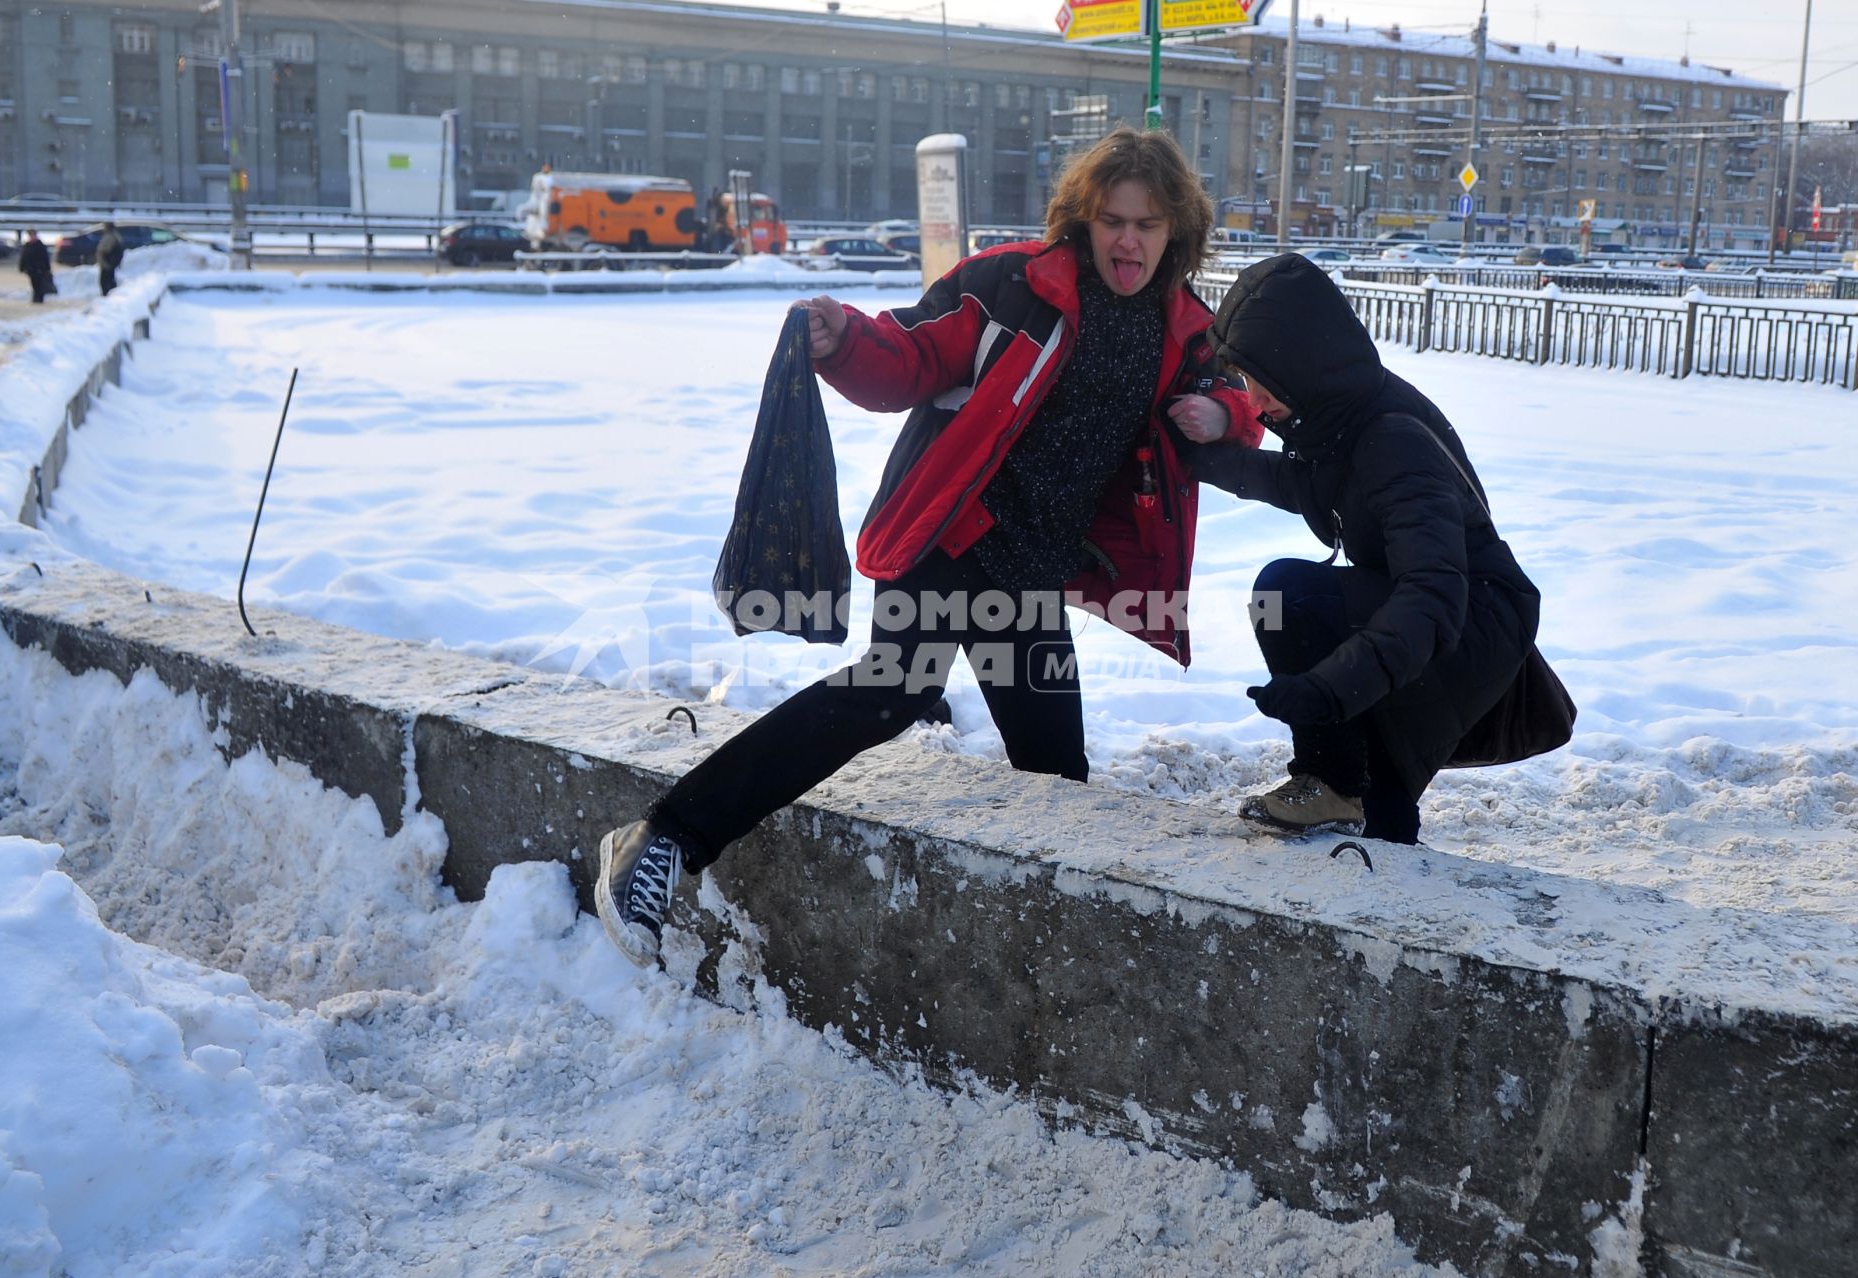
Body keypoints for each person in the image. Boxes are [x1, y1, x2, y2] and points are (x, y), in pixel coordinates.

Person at [593, 126, 1264, 966]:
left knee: (1055, 771)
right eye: (1112, 219)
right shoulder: (1013, 286)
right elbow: (911, 354)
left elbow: (1237, 400)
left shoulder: (1182, 330)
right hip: (951, 532)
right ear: (1084, 219)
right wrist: (846, 340)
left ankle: (1043, 966)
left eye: (1148, 224)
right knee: (892, 689)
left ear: (1177, 233)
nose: (1128, 240)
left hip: (1030, 572)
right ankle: (661, 840)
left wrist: (1223, 417)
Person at [1184, 252, 1542, 846]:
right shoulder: (1344, 412)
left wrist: (1326, 690)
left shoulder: (1393, 440)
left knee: (1291, 597)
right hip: (1441, 604)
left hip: (1472, 616)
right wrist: (1204, 462)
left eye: (1257, 379)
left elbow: (1431, 594)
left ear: (1297, 362)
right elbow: (1309, 485)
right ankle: (1345, 797)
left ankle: (1353, 811)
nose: (1251, 400)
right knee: (1299, 609)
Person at [18, 229, 53, 304]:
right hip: (30, 269)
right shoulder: (27, 245)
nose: (32, 237)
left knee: (40, 284)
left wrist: (47, 268)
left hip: (40, 269)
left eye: (33, 235)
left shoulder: (40, 245)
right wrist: (22, 267)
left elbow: (45, 257)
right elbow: (23, 257)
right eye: (30, 235)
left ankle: (39, 299)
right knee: (34, 284)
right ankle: (35, 298)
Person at [96, 221, 124, 297]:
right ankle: (110, 295)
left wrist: (104, 258)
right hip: (109, 263)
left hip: (107, 263)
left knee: (105, 281)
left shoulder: (110, 237)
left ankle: (108, 296)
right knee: (109, 280)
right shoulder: (114, 236)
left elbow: (105, 249)